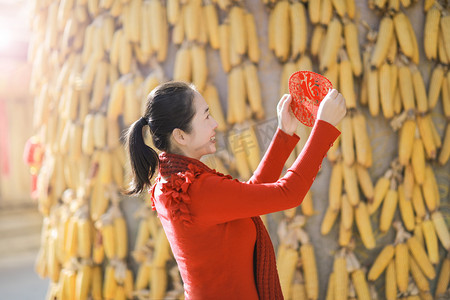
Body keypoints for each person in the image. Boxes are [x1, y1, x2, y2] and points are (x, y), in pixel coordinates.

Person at [125, 81, 346, 300]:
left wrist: (283, 134)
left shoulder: (173, 184)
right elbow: (289, 193)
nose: (215, 124)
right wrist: (324, 127)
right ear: (180, 136)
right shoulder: (196, 189)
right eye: (206, 117)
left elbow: (246, 199)